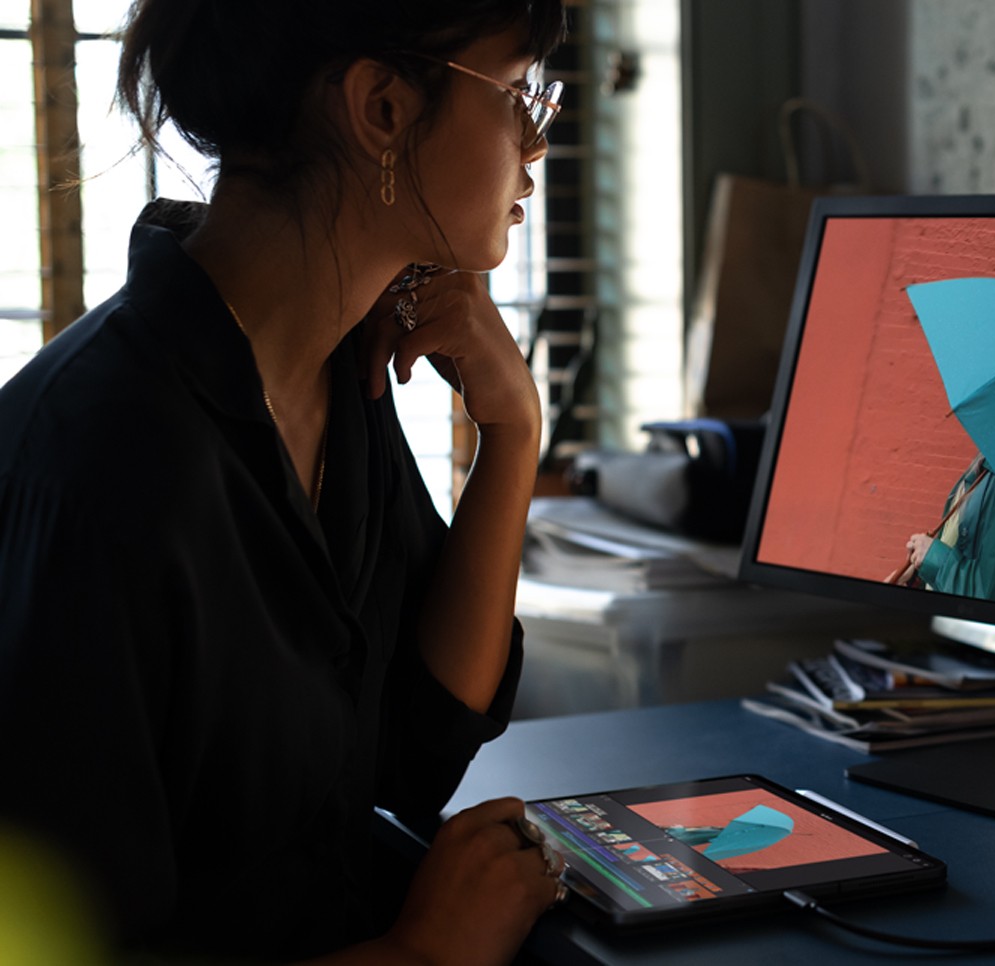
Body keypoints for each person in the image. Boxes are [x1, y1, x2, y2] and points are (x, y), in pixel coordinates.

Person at [0, 1, 572, 961]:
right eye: (515, 92)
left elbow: (417, 743)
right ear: (382, 108)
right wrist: (420, 955)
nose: (536, 141)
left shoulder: (334, 370)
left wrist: (512, 435)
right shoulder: (103, 466)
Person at [903, 456, 995, 606]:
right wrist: (918, 577)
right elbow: (958, 548)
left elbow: (986, 596)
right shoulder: (983, 464)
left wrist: (933, 558)